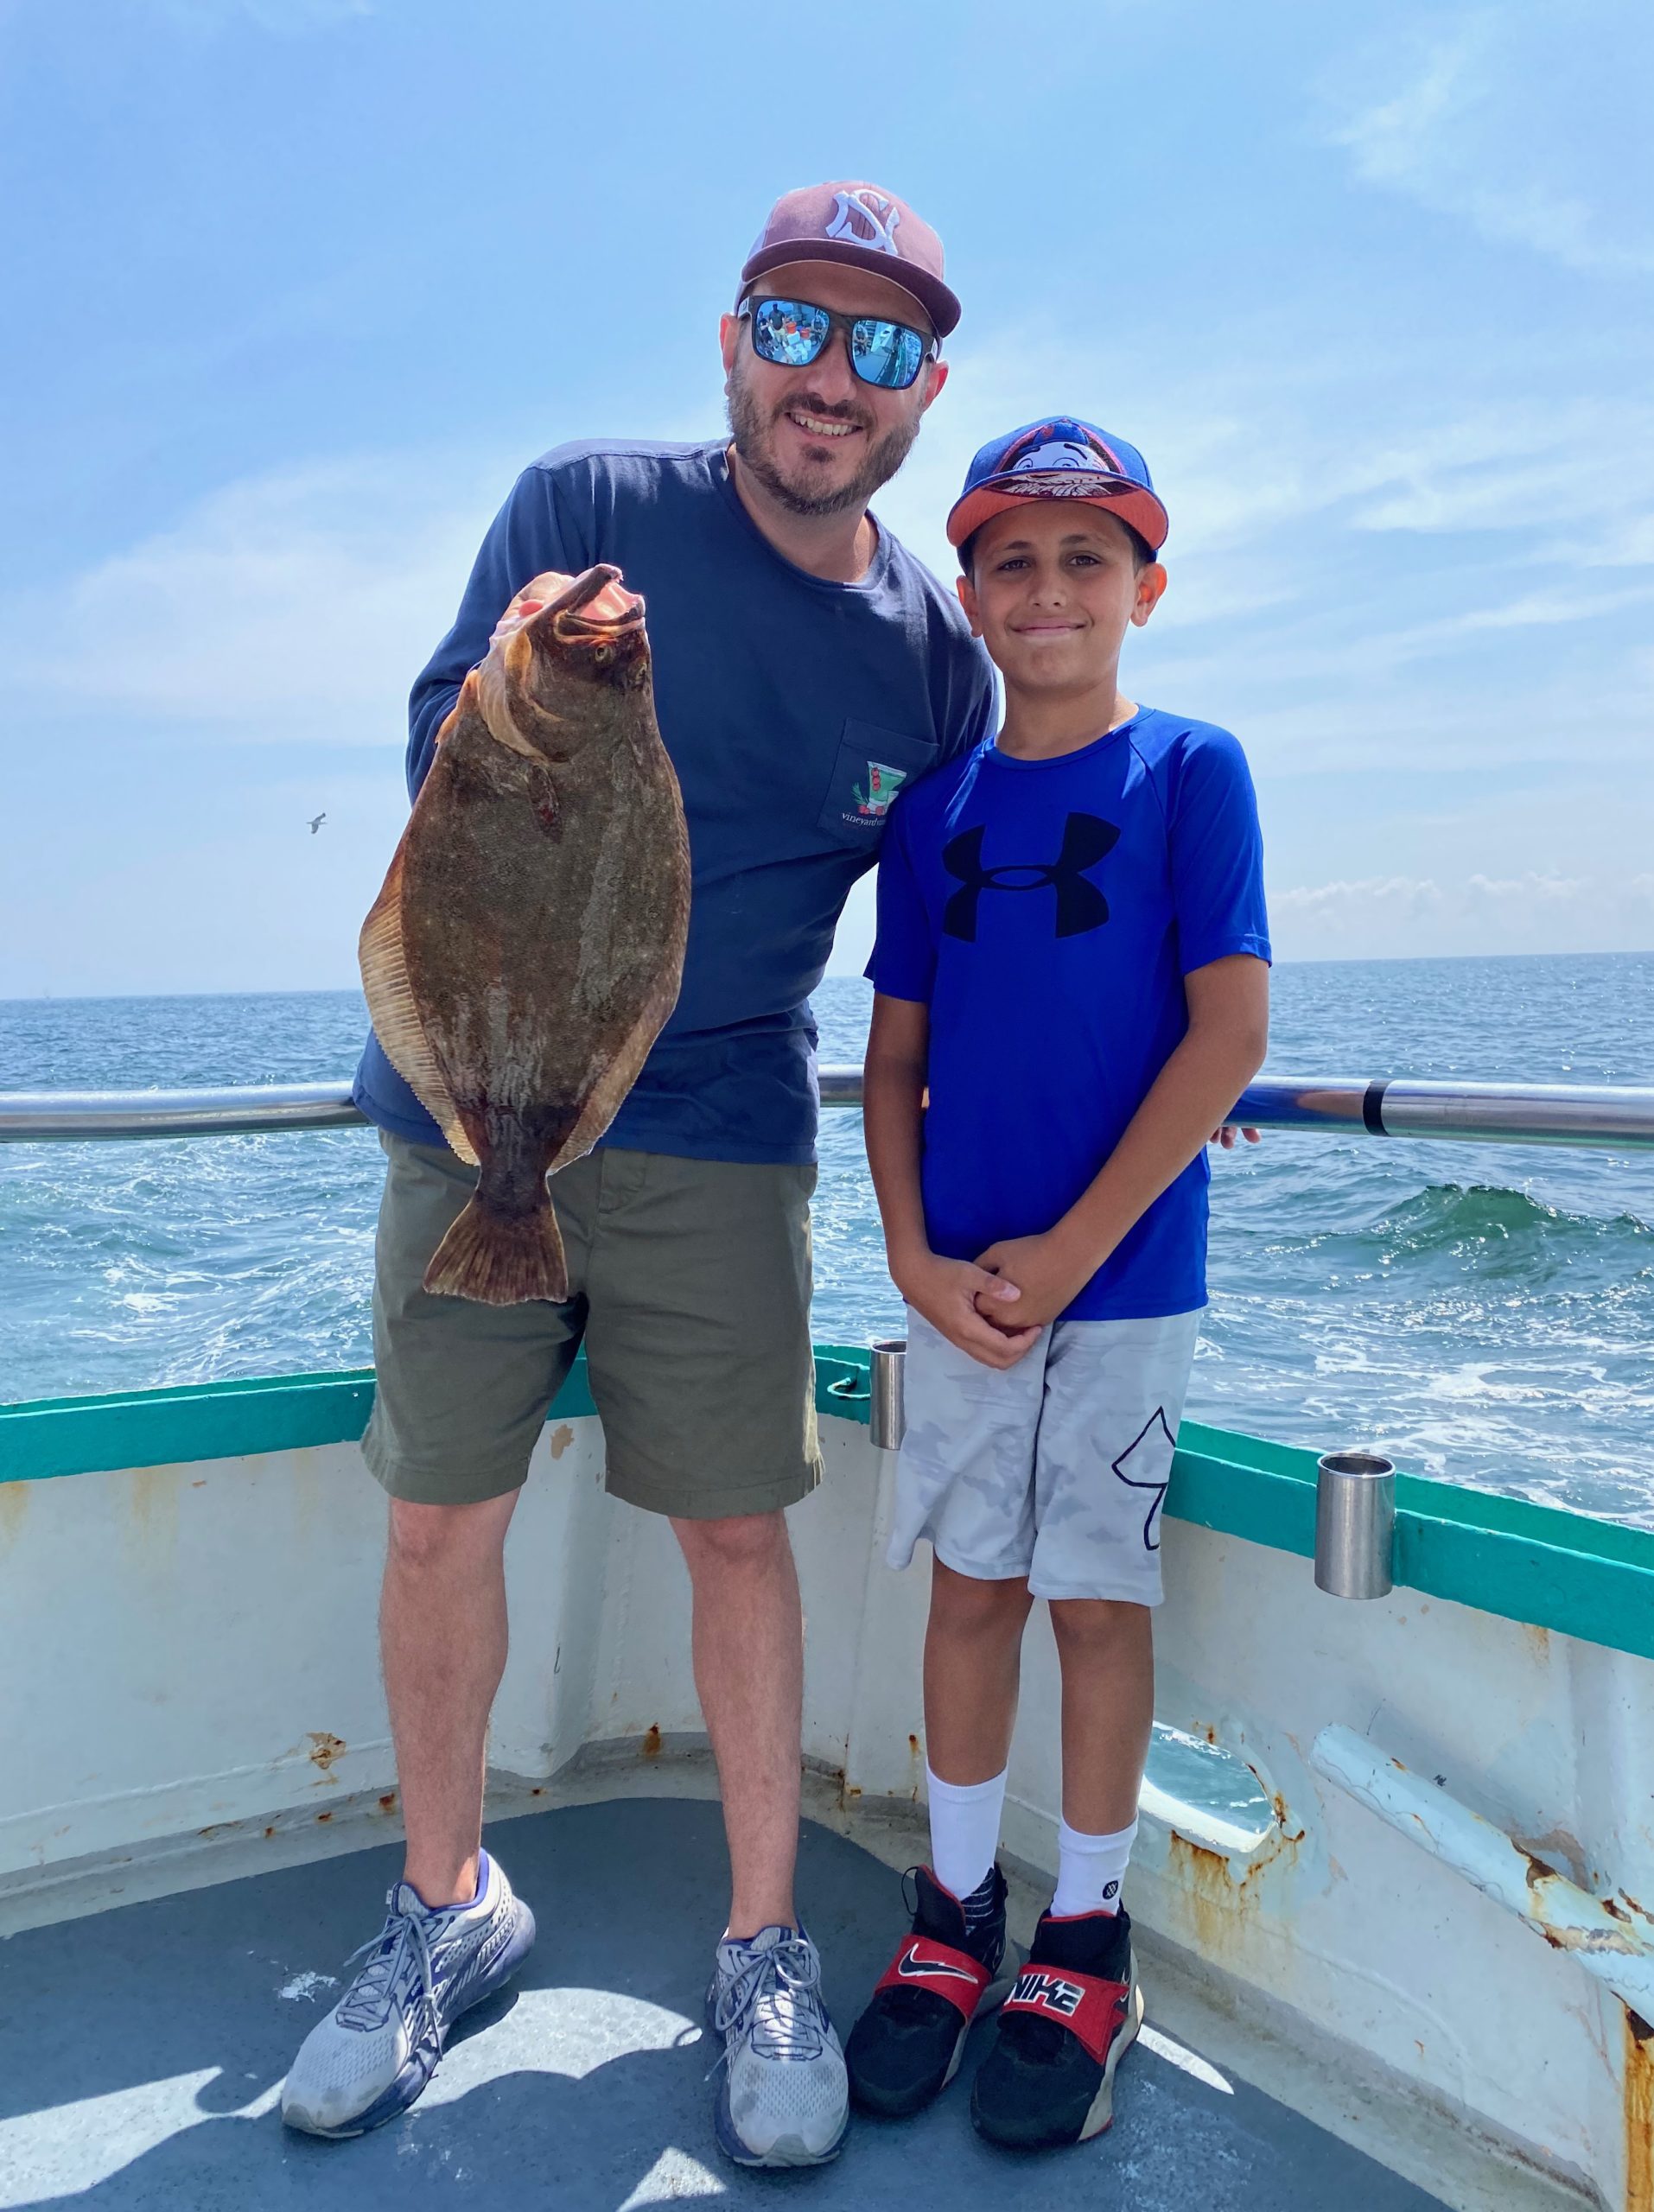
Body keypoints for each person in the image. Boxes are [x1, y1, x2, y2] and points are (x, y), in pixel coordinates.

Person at [279, 181, 996, 2167]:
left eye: (880, 345)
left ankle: (762, 1944)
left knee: (738, 1536)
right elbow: (437, 749)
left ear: (924, 387)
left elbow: (956, 941)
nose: (830, 378)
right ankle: (444, 1904)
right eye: (797, 325)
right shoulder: (582, 508)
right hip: (474, 1103)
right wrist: (516, 683)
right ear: (733, 336)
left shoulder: (935, 663)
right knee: (441, 1520)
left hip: (723, 1130)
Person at [845, 418, 1271, 2151]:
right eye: (1011, 560)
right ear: (970, 595)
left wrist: (1080, 1249)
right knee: (972, 1594)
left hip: (1128, 1286)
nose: (1048, 589)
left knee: (1097, 1604)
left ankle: (1086, 1934)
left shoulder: (1195, 769)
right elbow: (892, 1063)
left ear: (1145, 588)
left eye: (1088, 558)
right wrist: (910, 1256)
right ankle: (956, 1913)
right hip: (958, 1290)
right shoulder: (933, 812)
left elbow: (1229, 1033)